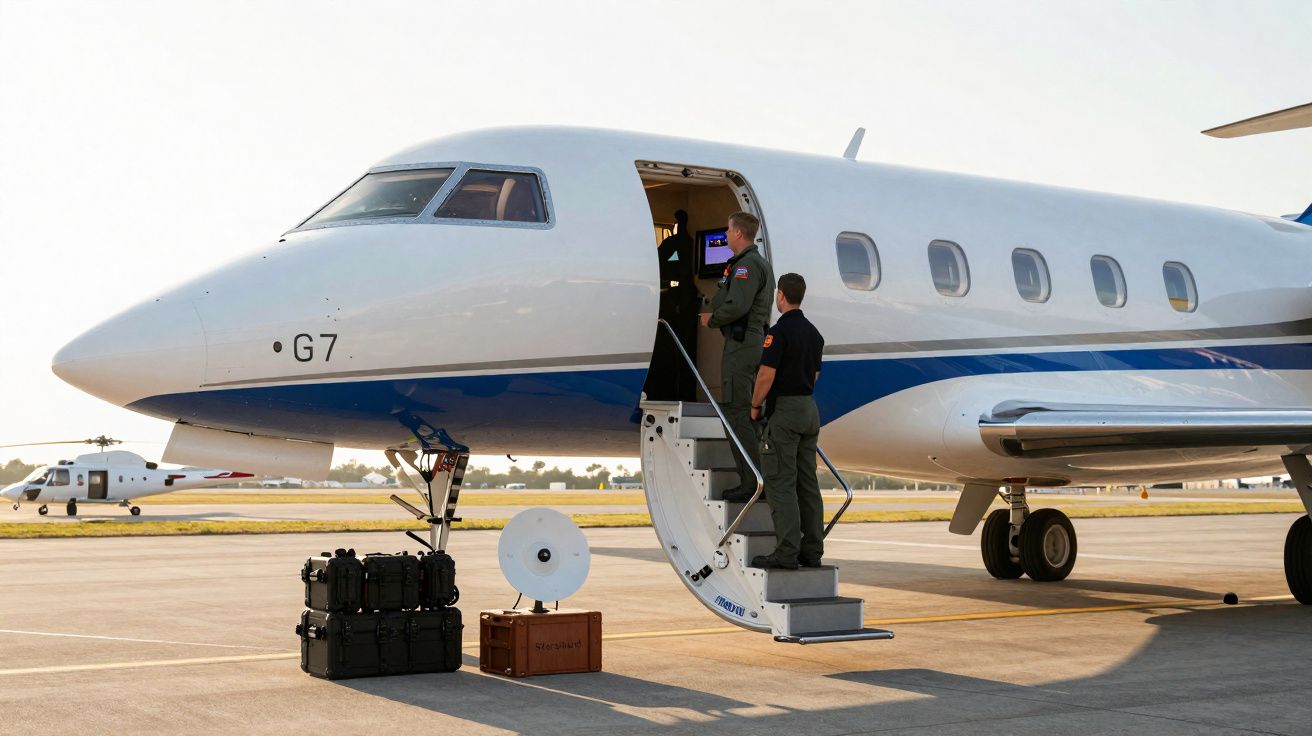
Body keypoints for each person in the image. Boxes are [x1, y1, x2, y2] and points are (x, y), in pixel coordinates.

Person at [748, 273, 825, 569]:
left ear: (781, 295)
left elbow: (766, 375)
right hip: (809, 409)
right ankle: (812, 550)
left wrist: (755, 406)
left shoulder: (779, 333)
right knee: (807, 483)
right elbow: (815, 375)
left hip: (787, 412)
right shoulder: (814, 334)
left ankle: (787, 551)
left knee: (781, 482)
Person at [699, 211, 774, 501]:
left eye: (729, 231)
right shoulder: (750, 264)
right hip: (747, 343)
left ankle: (753, 482)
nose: (726, 235)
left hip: (742, 346)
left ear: (739, 234)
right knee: (744, 412)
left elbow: (738, 305)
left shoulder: (746, 267)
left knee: (737, 412)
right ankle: (757, 479)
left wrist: (712, 319)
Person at [646, 210, 698, 401]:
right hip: (681, 301)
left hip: (679, 302)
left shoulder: (674, 243)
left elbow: (661, 264)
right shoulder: (681, 243)